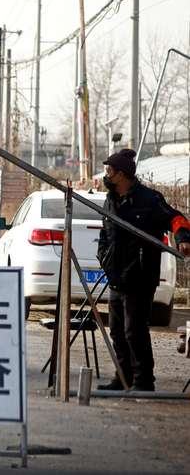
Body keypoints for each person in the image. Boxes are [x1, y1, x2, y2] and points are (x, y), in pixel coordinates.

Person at [96, 148, 190, 392]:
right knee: (117, 331)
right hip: (116, 276)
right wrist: (104, 258)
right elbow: (105, 234)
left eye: (109, 171)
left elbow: (176, 219)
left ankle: (143, 380)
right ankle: (123, 377)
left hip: (140, 276)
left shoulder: (149, 200)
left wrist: (183, 237)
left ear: (122, 174)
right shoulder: (112, 199)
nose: (106, 175)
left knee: (134, 330)